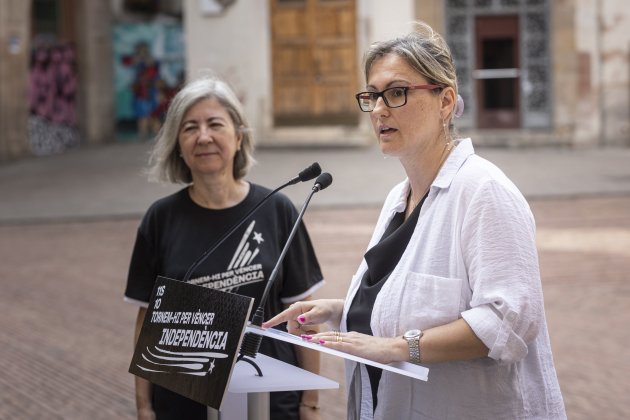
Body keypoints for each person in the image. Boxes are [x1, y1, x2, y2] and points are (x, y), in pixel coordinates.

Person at [263, 22, 566, 420]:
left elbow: (507, 322)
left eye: (397, 92)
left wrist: (394, 347)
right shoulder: (398, 197)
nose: (380, 109)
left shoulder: (485, 191)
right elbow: (410, 301)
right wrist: (341, 309)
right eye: (372, 96)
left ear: (445, 102)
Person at [124, 76, 324, 420]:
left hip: (269, 399)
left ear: (238, 136)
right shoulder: (160, 219)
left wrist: (310, 403)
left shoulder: (278, 209)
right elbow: (147, 322)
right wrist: (144, 406)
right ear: (178, 144)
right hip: (183, 402)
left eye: (215, 124)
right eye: (190, 128)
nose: (203, 137)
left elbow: (303, 316)